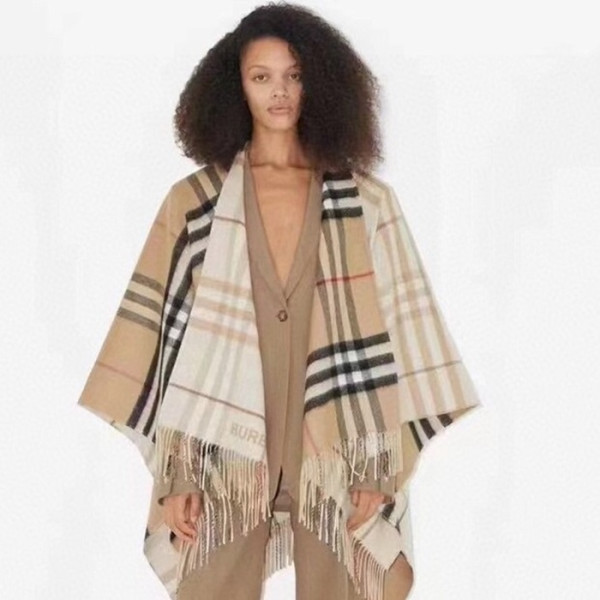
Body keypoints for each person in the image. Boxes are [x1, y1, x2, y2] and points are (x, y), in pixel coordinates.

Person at [77, 3, 482, 600]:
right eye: (261, 76)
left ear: (319, 81)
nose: (279, 92)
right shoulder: (195, 203)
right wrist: (181, 471)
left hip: (335, 445)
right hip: (226, 446)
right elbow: (167, 342)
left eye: (294, 75)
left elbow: (400, 335)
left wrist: (377, 466)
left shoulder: (366, 201)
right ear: (234, 87)